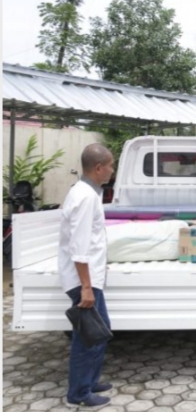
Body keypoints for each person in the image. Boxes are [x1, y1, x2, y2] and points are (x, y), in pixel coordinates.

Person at [59, 144, 115, 407]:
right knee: (88, 337)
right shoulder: (86, 197)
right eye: (111, 166)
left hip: (89, 277)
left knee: (99, 332)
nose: (112, 170)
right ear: (98, 168)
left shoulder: (85, 192)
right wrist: (86, 287)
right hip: (84, 280)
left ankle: (90, 382)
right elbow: (79, 246)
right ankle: (78, 395)